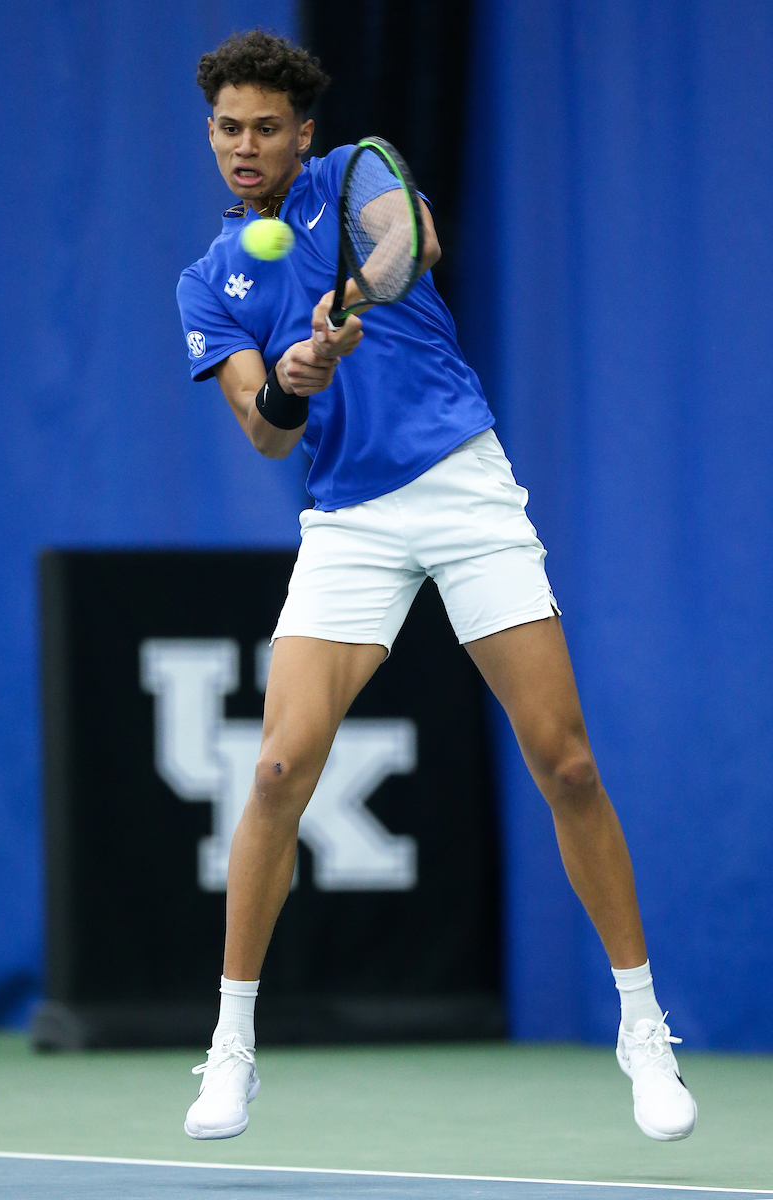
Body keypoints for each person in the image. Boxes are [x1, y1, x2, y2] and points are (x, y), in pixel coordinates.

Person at [176, 29, 697, 1146]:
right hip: (348, 520)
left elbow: (409, 237)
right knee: (273, 768)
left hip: (461, 483)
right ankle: (230, 1046)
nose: (246, 146)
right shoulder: (208, 279)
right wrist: (294, 383)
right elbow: (261, 433)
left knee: (562, 758)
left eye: (267, 126)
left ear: (301, 133)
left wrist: (349, 300)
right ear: (210, 132)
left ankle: (642, 1028)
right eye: (229, 126)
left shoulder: (357, 170)